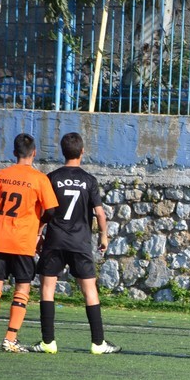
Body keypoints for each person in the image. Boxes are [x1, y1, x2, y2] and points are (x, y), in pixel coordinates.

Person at [31, 132, 120, 355]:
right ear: (82, 152)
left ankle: (48, 342)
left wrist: (39, 234)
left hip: (55, 240)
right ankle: (98, 343)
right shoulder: (89, 180)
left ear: (63, 152)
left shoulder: (51, 178)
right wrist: (103, 236)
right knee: (90, 290)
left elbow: (45, 211)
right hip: (80, 242)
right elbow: (100, 213)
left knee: (47, 289)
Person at [0, 133, 59, 353]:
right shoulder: (39, 179)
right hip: (23, 241)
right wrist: (38, 225)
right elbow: (52, 210)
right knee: (22, 288)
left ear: (14, 152)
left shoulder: (1, 175)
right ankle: (10, 338)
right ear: (34, 153)